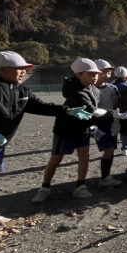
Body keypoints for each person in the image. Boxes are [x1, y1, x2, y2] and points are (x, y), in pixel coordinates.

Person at [0, 51, 92, 227]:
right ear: (2, 70)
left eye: (24, 69)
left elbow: (41, 106)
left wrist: (67, 111)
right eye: (18, 68)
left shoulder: (21, 91)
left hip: (0, 141)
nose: (23, 72)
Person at [34, 59, 109, 203]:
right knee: (56, 158)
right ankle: (44, 187)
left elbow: (92, 112)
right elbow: (91, 109)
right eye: (90, 74)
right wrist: (109, 115)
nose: (95, 76)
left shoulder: (95, 90)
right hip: (66, 129)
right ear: (78, 75)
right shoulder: (75, 90)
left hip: (83, 128)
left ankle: (80, 186)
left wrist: (92, 126)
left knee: (84, 156)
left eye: (96, 74)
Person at [92, 59, 122, 188]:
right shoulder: (91, 89)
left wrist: (117, 121)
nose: (107, 73)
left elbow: (117, 106)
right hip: (98, 125)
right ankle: (105, 178)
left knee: (111, 150)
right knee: (108, 150)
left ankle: (106, 176)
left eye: (109, 71)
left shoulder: (113, 88)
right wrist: (92, 128)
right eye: (103, 71)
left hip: (111, 124)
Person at [112, 66, 127, 155]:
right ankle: (125, 148)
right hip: (124, 110)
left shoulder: (111, 86)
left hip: (112, 110)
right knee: (124, 129)